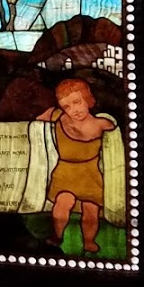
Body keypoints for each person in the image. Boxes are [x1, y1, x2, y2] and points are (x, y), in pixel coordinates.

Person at [34, 78, 116, 254]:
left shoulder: (102, 124)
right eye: (67, 106)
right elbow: (33, 126)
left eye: (77, 102)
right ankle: (57, 236)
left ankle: (89, 241)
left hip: (90, 174)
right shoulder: (56, 116)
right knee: (63, 202)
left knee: (91, 210)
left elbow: (115, 140)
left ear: (88, 98)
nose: (74, 110)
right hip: (65, 172)